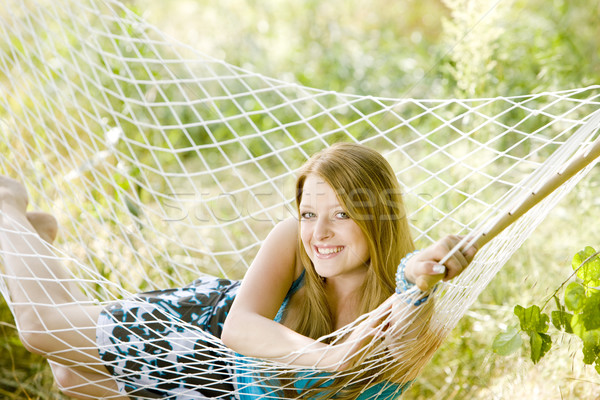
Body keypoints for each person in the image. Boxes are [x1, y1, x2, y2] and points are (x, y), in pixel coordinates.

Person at [0, 143, 477, 399]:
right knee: (42, 330)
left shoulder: (400, 308)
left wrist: (419, 280)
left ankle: (25, 239)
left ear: (378, 217)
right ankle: (6, 208)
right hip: (201, 335)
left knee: (69, 375)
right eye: (311, 213)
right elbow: (238, 326)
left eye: (343, 214)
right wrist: (329, 357)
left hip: (224, 390)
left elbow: (405, 330)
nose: (320, 233)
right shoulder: (292, 238)